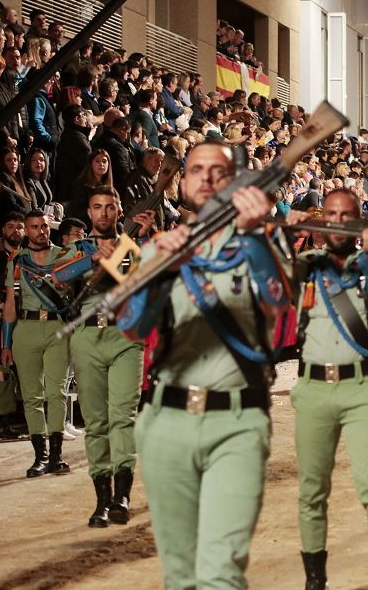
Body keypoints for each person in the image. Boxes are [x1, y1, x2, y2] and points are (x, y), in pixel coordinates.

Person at [115, 142, 289, 588]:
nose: (208, 177)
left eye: (220, 170)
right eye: (196, 169)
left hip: (237, 421)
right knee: (180, 576)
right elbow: (131, 326)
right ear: (183, 183)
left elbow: (277, 301)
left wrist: (251, 236)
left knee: (221, 574)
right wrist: (156, 269)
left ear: (236, 183)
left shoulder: (262, 241)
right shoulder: (155, 248)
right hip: (165, 421)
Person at [286, 188, 368, 590]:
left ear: (358, 220)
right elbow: (273, 287)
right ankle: (315, 582)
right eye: (330, 214)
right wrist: (285, 237)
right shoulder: (306, 263)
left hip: (361, 389)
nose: (337, 221)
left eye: (346, 214)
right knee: (311, 492)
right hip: (313, 388)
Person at [52, 187, 154, 528]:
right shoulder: (75, 248)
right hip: (86, 338)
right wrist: (91, 259)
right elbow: (57, 278)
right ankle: (102, 501)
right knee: (95, 423)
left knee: (122, 417)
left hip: (125, 335)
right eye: (97, 207)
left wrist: (138, 243)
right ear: (90, 212)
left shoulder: (132, 245)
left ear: (120, 210)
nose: (104, 213)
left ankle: (122, 496)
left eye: (111, 207)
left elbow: (145, 281)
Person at [2, 210, 72, 478]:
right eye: (34, 227)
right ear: (26, 231)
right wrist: (6, 344)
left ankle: (56, 455)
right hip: (26, 328)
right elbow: (10, 305)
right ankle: (40, 457)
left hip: (57, 326)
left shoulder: (64, 256)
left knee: (57, 392)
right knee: (32, 396)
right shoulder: (17, 261)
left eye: (44, 226)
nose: (41, 231)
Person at [0, 212, 25, 439]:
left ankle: (15, 417)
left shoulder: (27, 257)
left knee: (16, 367)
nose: (15, 230)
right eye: (10, 226)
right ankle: (2, 420)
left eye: (19, 226)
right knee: (1, 370)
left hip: (24, 318)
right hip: (2, 317)